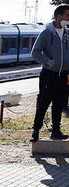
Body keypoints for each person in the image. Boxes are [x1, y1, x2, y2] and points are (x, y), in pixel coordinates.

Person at [30, 4, 69, 142]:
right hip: (48, 75)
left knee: (59, 104)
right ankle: (35, 131)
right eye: (67, 16)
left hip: (63, 75)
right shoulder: (46, 33)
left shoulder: (67, 33)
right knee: (43, 103)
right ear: (59, 16)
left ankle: (56, 131)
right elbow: (35, 53)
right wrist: (48, 62)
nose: (68, 19)